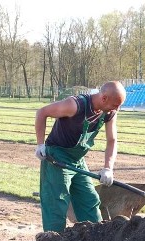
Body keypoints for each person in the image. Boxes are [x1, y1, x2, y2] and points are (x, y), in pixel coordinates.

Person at [34, 81, 127, 232]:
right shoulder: (75, 105)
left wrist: (108, 168)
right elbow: (42, 112)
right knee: (57, 202)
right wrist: (40, 145)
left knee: (89, 199)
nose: (117, 109)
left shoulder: (109, 113)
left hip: (77, 159)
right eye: (115, 105)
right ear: (104, 98)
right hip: (57, 157)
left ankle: (95, 239)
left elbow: (112, 140)